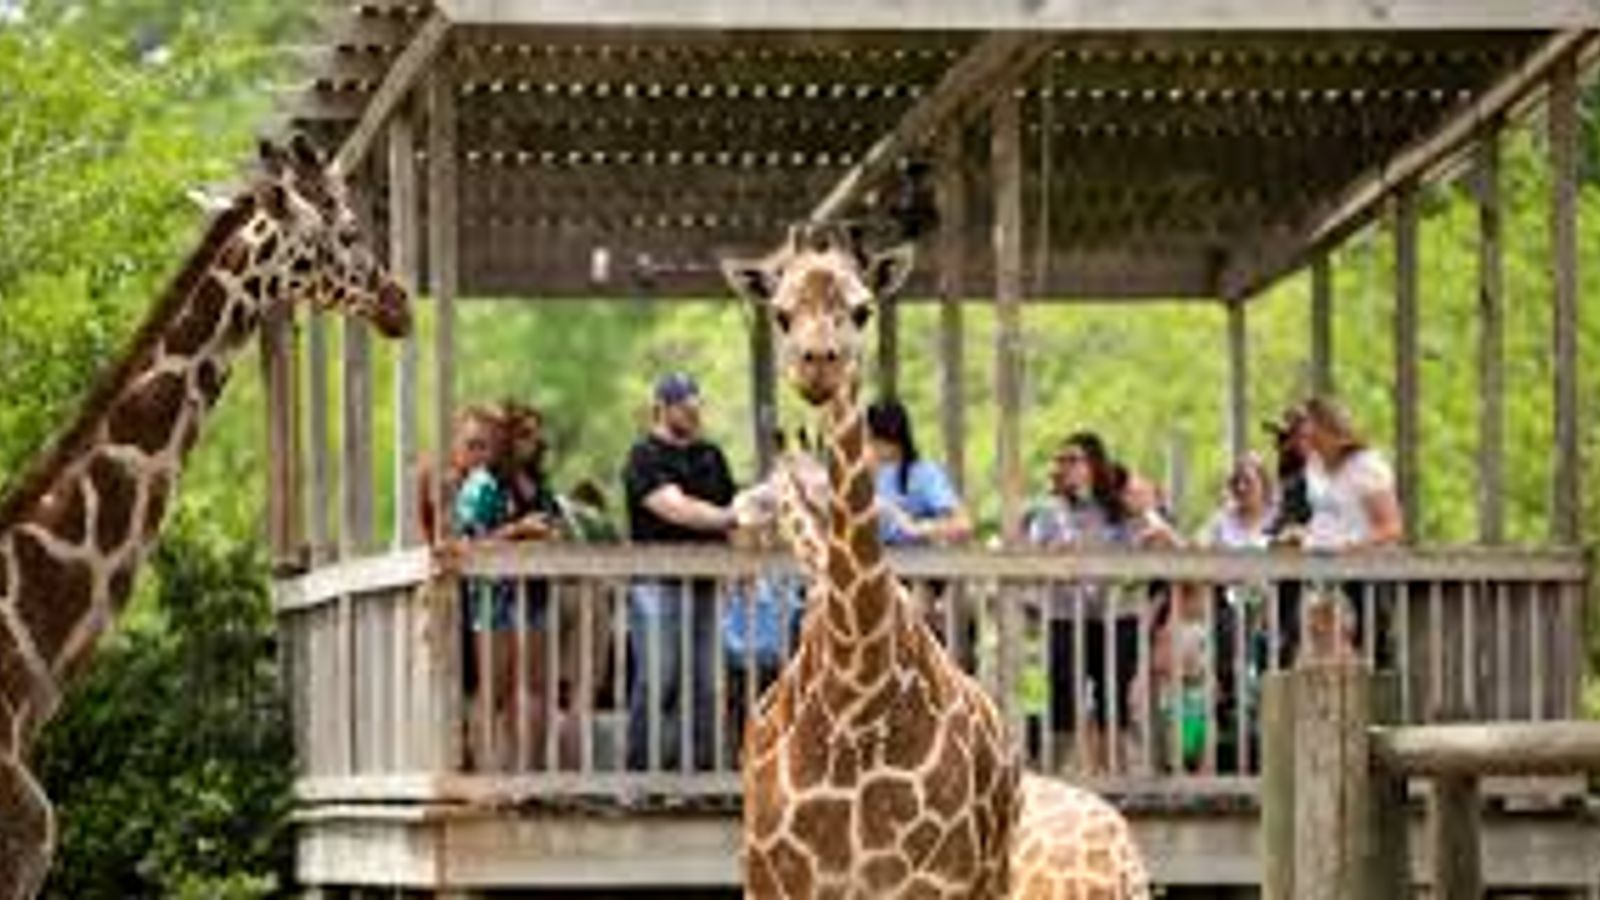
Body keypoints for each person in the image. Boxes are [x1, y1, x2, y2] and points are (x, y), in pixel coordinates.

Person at [620, 372, 738, 773]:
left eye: (697, 406)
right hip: (656, 586)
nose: (693, 413)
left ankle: (702, 780)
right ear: (662, 408)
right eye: (685, 407)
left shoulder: (712, 456)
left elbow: (734, 515)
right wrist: (730, 517)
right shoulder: (644, 456)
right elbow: (674, 507)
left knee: (708, 686)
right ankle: (642, 780)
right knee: (658, 681)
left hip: (706, 587)